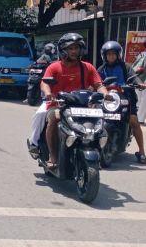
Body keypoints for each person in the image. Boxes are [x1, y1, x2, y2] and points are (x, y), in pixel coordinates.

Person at [40, 33, 108, 169]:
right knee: (53, 119)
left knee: (102, 122)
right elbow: (44, 83)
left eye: (76, 48)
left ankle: (100, 154)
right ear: (63, 50)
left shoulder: (88, 67)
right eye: (70, 48)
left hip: (83, 106)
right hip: (59, 104)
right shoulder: (54, 67)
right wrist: (48, 93)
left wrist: (106, 94)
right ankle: (53, 156)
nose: (74, 51)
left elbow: (98, 85)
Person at [97, 41, 146, 163]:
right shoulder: (101, 69)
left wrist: (139, 83)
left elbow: (134, 77)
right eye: (109, 54)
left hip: (126, 97)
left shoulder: (126, 67)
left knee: (134, 121)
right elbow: (96, 81)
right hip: (108, 99)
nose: (111, 56)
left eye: (114, 54)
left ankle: (142, 152)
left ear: (118, 54)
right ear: (104, 55)